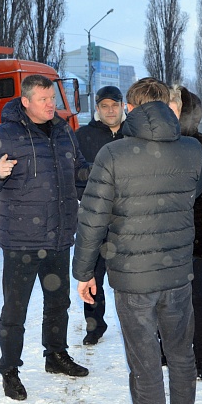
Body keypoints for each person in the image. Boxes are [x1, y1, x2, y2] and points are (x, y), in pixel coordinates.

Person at [73, 78, 202, 404]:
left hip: (133, 277)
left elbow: (92, 219)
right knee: (181, 353)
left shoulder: (114, 154)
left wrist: (83, 271)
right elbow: (191, 194)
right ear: (167, 105)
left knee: (145, 361)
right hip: (178, 272)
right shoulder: (192, 149)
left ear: (131, 108)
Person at [0, 74, 91, 402]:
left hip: (58, 236)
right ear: (26, 102)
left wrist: (107, 179)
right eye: (43, 99)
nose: (51, 104)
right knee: (16, 308)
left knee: (58, 302)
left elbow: (79, 173)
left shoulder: (63, 131)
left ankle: (55, 356)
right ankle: (9, 369)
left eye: (52, 98)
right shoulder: (6, 133)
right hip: (22, 240)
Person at [168, 85, 202, 380]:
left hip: (194, 238)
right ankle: (167, 348)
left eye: (175, 107)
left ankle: (201, 353)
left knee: (195, 295)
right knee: (165, 298)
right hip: (163, 238)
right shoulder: (159, 143)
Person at [74, 85, 126, 345]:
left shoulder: (134, 134)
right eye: (104, 106)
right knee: (93, 273)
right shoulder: (83, 136)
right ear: (97, 108)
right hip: (96, 217)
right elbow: (75, 172)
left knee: (134, 274)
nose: (109, 110)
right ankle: (94, 326)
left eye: (114, 105)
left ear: (122, 106)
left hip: (128, 218)